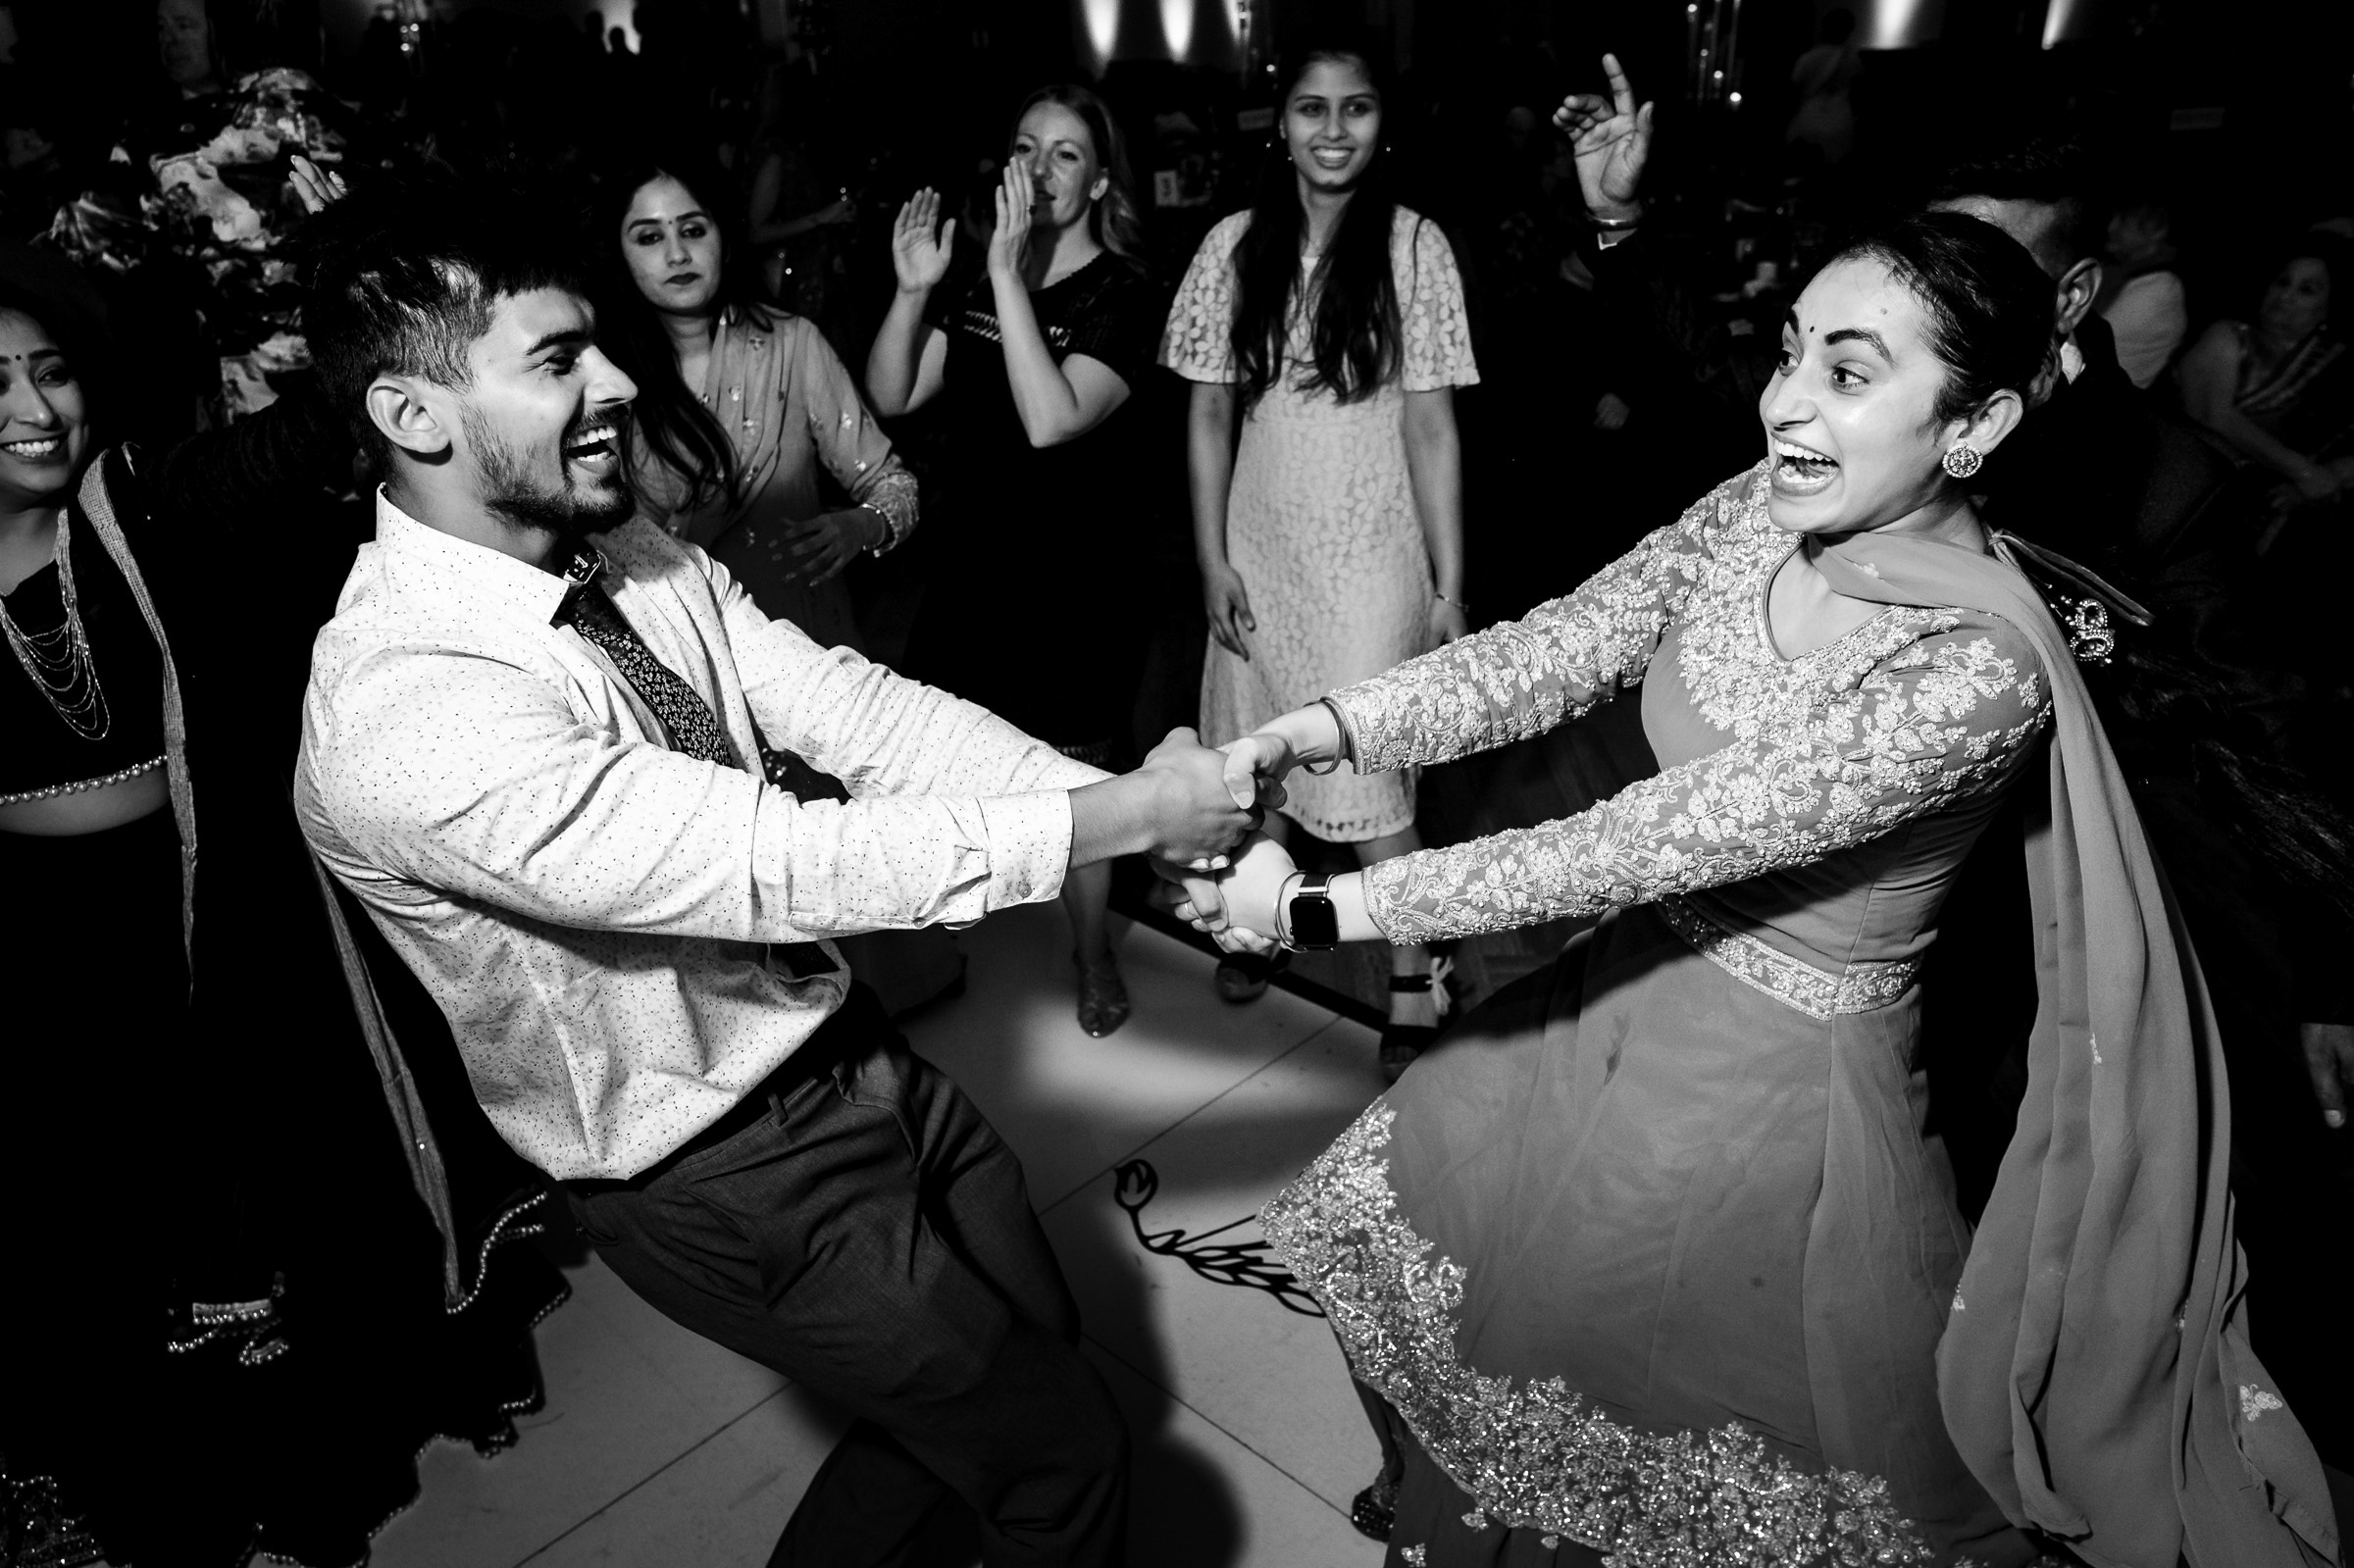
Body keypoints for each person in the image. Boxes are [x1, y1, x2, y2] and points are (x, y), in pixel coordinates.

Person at [1171, 210, 2339, 1564]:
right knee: (1440, 1286)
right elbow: (1550, 651)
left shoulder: (1977, 664)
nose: (1786, 397)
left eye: (1848, 371)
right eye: (1790, 352)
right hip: (1627, 989)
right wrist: (1303, 730)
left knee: (1630, 1442)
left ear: (1977, 423)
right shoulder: (1752, 511)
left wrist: (1313, 911)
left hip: (1779, 1103)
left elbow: (1643, 835)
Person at [292, 172, 1260, 1565]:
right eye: (560, 359)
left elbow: (854, 712)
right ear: (412, 412)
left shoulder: (619, 537)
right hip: (719, 1166)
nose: (620, 380)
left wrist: (1122, 796)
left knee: (1015, 1367)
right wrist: (1115, 827)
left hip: (849, 1044)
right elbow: (768, 858)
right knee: (1062, 1451)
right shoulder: (403, 703)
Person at [0, 225, 564, 1567]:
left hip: (211, 917)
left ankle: (310, 1486)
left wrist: (420, 304)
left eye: (54, 370)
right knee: (104, 1256)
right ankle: (166, 1496)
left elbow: (307, 436)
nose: (34, 410)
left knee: (284, 1216)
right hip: (38, 957)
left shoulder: (142, 507)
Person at [1160, 34, 1476, 1078]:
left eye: (1356, 108)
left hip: (1372, 549)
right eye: (1311, 108)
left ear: (1385, 125)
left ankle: (1416, 974)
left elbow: (1432, 428)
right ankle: (1274, 922)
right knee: (1265, 769)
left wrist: (1448, 583)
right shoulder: (1232, 246)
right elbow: (1208, 416)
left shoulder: (1417, 246)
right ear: (1281, 122)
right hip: (1261, 543)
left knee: (1368, 776)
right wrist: (1211, 557)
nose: (1333, 129)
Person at [596, 152, 959, 1017]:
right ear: (620, 256)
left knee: (836, 844)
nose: (677, 252)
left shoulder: (789, 344)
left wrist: (859, 524)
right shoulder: (603, 380)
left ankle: (876, 1021)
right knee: (730, 865)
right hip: (674, 660)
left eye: (694, 228)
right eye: (649, 237)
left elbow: (893, 483)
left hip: (807, 639)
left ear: (725, 235)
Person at [868, 83, 1167, 1037]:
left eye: (1067, 154)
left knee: (1073, 776)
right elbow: (894, 392)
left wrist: (1004, 275)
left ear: (1098, 182)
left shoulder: (1125, 292)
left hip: (1078, 583)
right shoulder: (977, 281)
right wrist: (917, 289)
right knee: (946, 754)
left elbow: (1051, 420)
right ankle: (947, 936)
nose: (1041, 170)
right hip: (977, 569)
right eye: (1027, 146)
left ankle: (1090, 951)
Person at [2177, 234, 2354, 515]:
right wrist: (2305, 473)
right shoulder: (2226, 338)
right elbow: (2215, 417)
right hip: (2179, 483)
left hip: (2259, 506)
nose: (2285, 296)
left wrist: (2334, 473)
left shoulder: (2335, 363)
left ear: (2329, 307)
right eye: (2283, 282)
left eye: (2306, 290)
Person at [2096, 199, 2188, 389]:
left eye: (2123, 221)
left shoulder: (2161, 288)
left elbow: (2087, 340)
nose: (2112, 226)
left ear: (2156, 231)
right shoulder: (2119, 271)